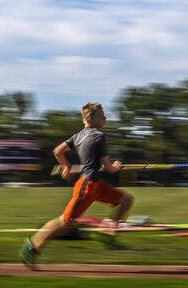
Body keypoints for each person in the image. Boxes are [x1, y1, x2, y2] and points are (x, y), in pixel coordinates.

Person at [19, 102, 134, 269]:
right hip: (87, 186)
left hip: (95, 185)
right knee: (65, 222)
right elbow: (108, 167)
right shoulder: (99, 136)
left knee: (126, 200)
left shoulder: (77, 136)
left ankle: (107, 231)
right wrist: (114, 166)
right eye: (102, 115)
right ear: (91, 117)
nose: (105, 118)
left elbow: (57, 151)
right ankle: (32, 246)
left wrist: (66, 167)